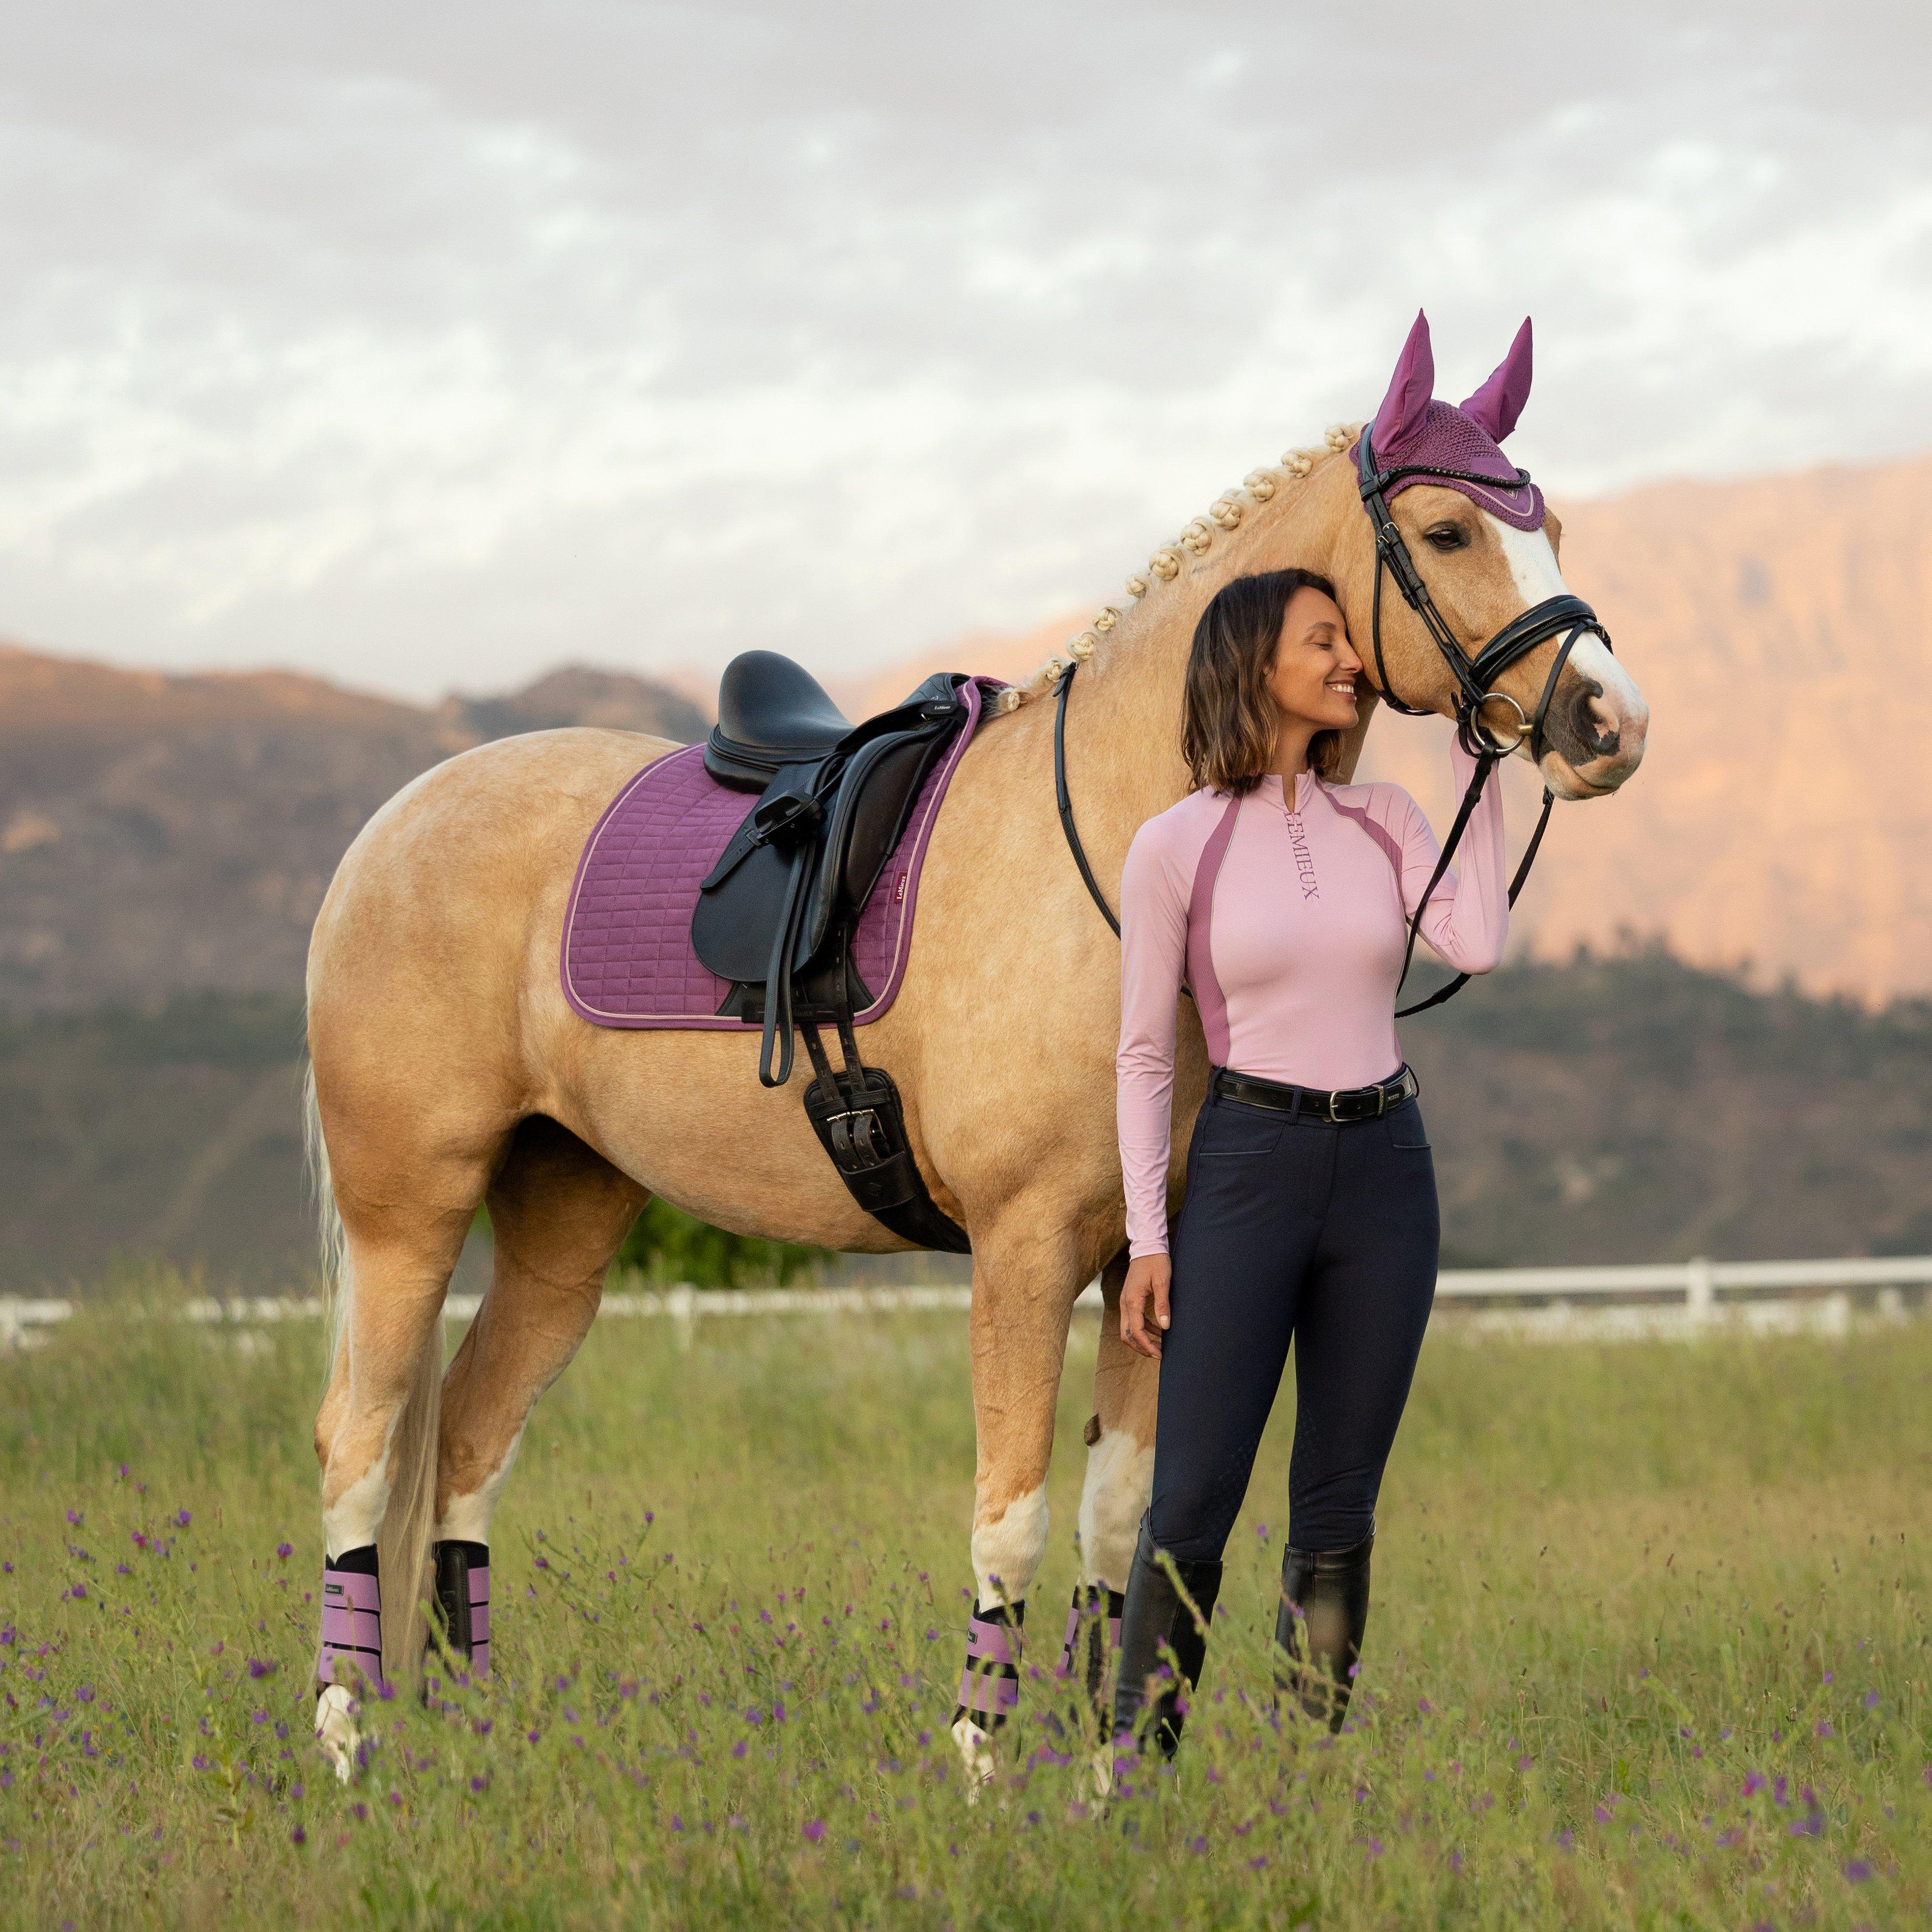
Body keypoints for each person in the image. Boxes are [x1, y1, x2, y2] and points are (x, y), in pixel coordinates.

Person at [1111, 567, 1508, 1757]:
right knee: (1190, 1502)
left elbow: (1473, 937)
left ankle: (1300, 1786)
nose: (1349, 661)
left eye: (1346, 639)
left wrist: (1479, 765)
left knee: (1336, 1508)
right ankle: (1129, 1773)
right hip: (1246, 1168)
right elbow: (1139, 1053)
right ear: (1254, 665)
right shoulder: (1173, 844)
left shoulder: (1381, 815)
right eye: (1321, 640)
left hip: (1386, 1172)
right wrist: (1147, 1235)